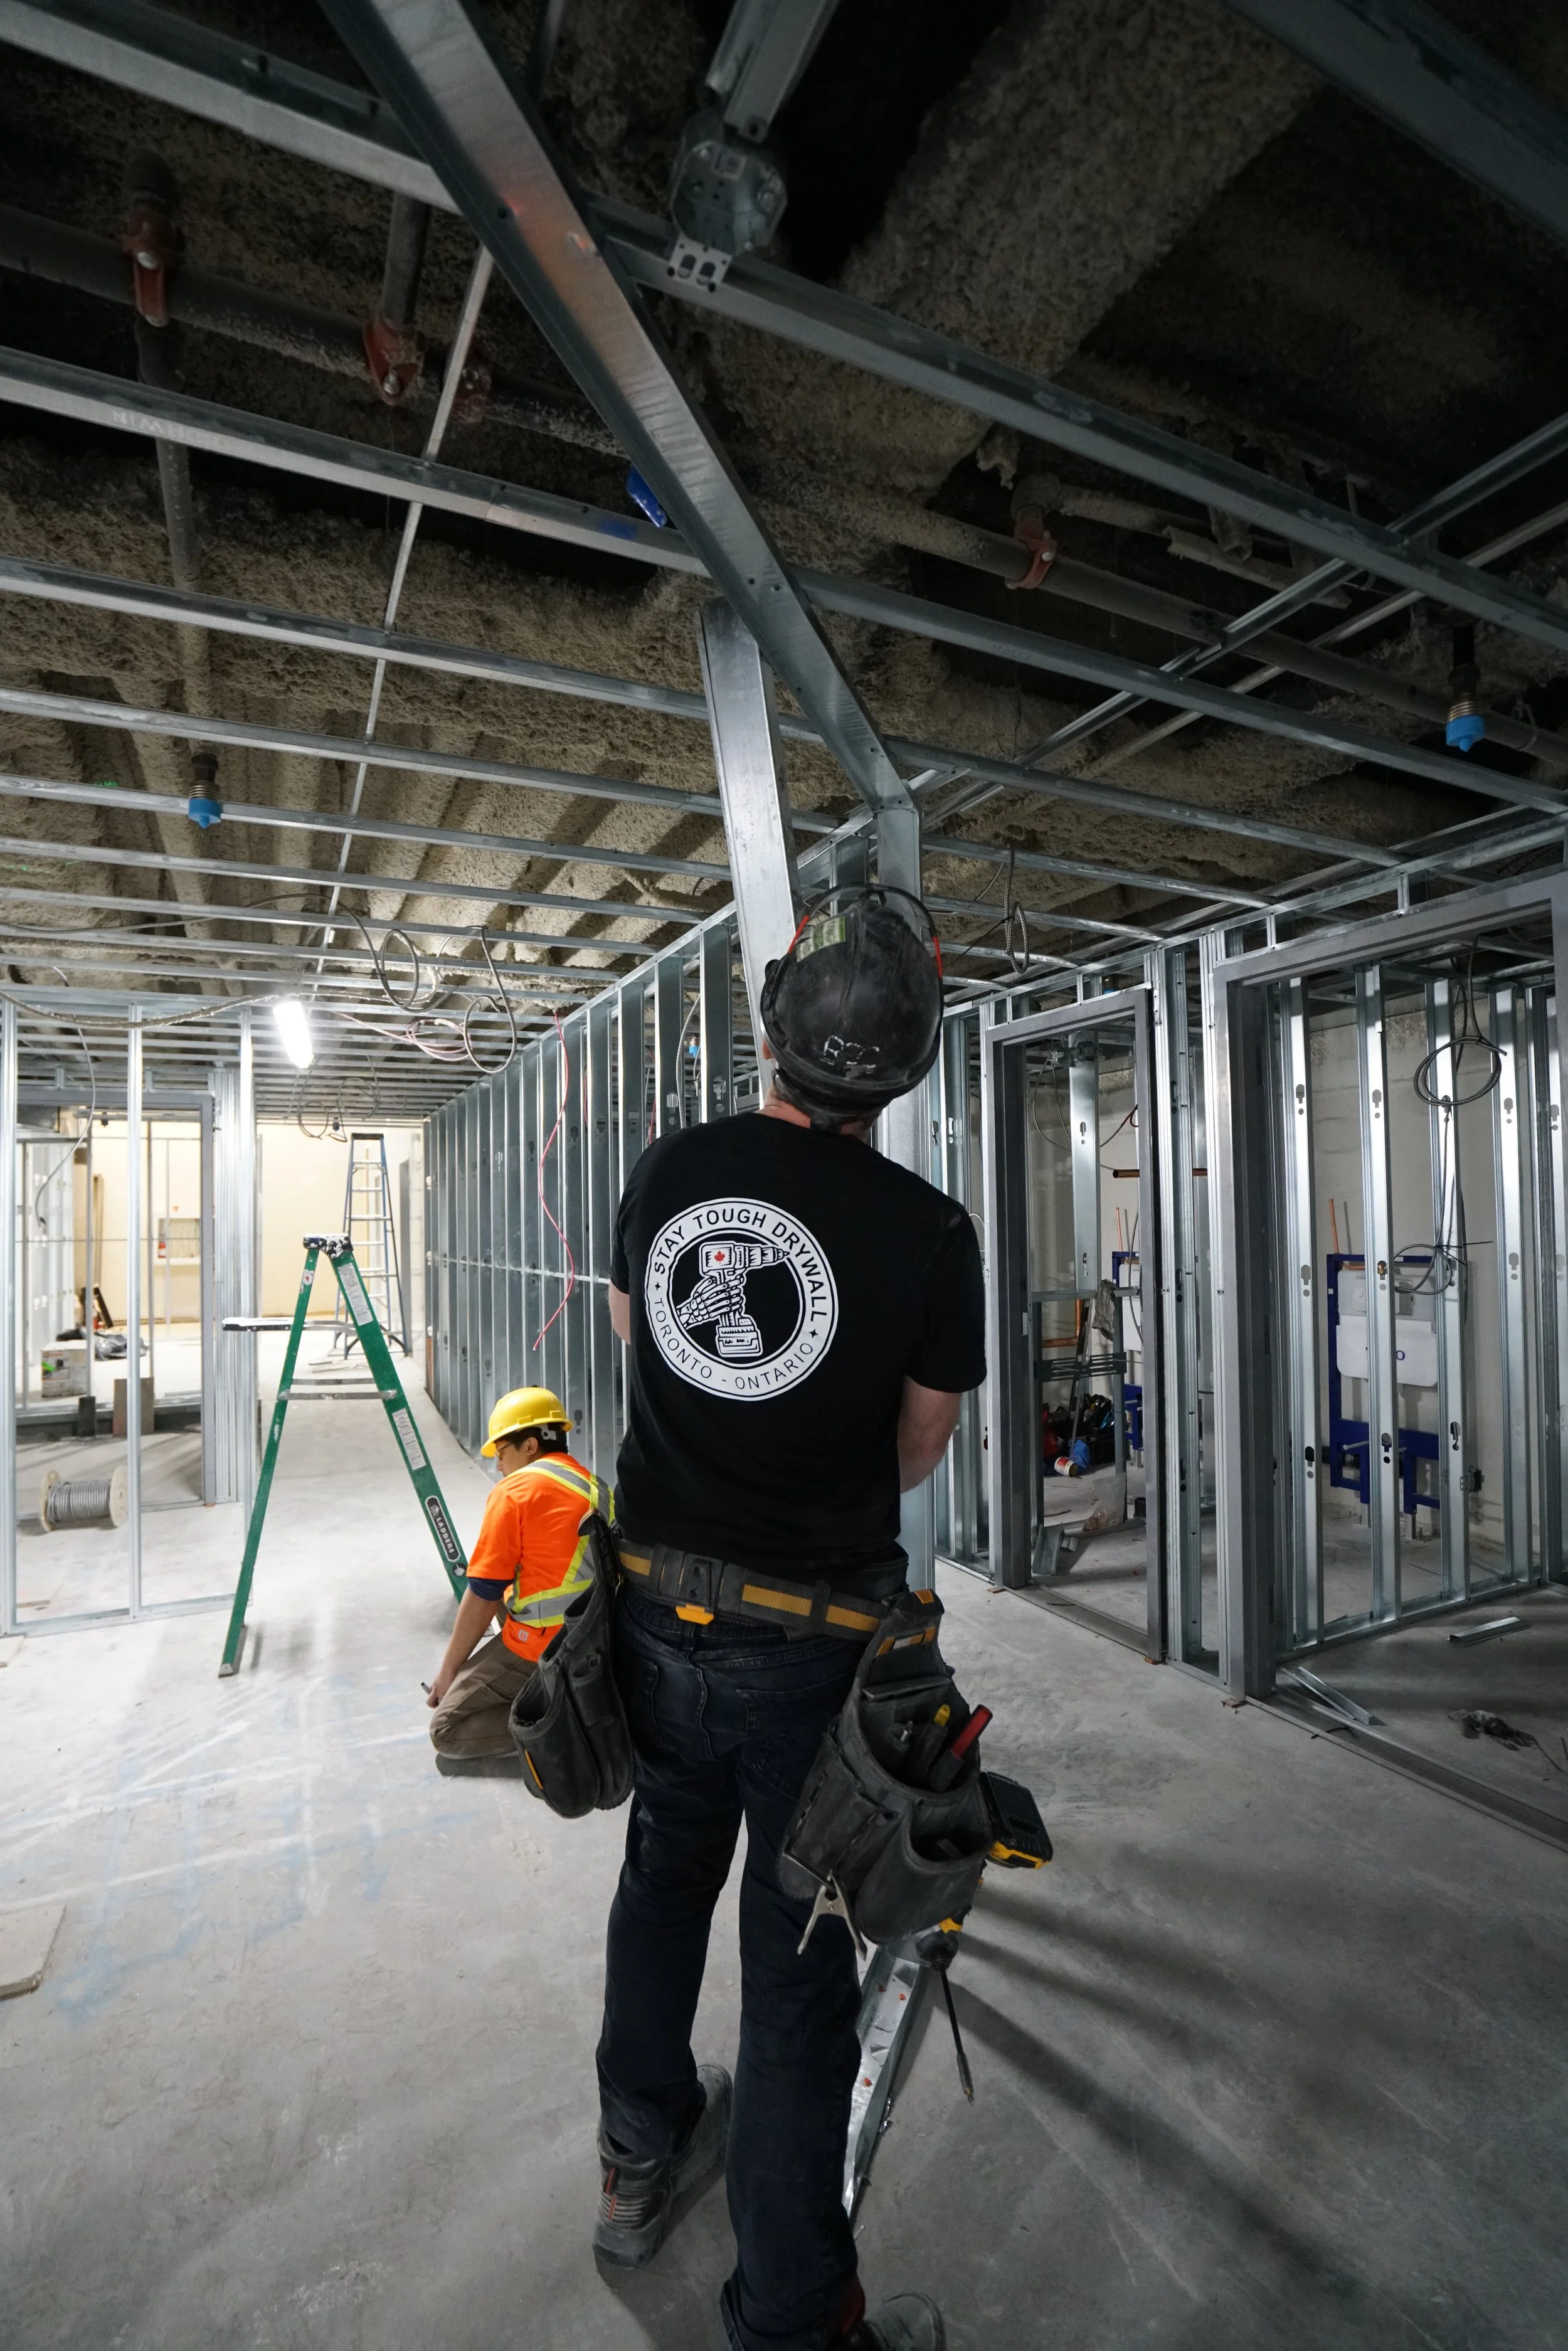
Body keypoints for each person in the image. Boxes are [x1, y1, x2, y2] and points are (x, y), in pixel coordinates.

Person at [594, 887, 985, 2351]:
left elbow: (648, 1344)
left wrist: (725, 1439)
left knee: (658, 1878)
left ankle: (637, 2155)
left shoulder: (672, 1167)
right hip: (807, 1642)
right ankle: (792, 2317)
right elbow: (918, 1442)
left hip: (644, 1608)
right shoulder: (928, 1230)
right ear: (905, 1065)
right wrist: (811, 1457)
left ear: (771, 1026)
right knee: (799, 1965)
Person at [426, 1386, 610, 1759]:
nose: (498, 1465)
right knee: (503, 1581)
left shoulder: (516, 1492)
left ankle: (568, 1728)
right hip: (597, 1636)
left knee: (446, 1730)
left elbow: (483, 1592)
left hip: (547, 1646)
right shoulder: (596, 1486)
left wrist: (447, 1674)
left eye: (501, 1451)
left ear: (529, 1445)